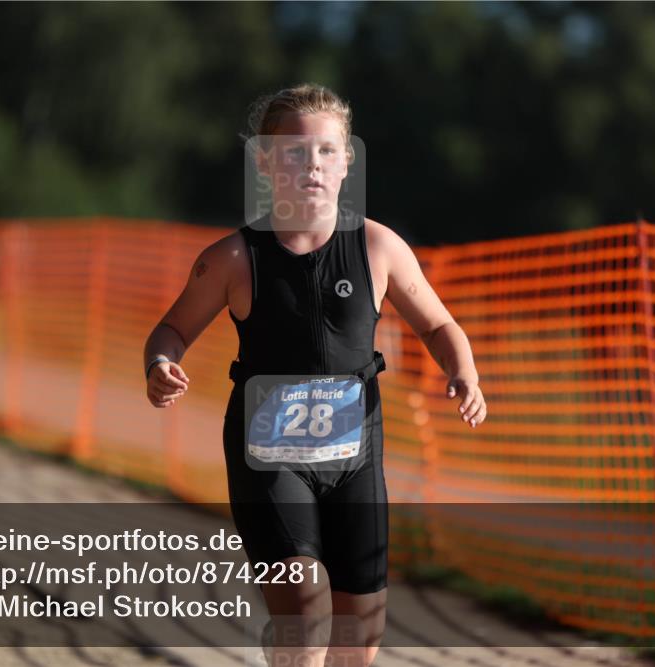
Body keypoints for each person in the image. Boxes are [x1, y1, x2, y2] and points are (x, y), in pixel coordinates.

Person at [143, 83, 486, 667]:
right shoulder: (232, 259)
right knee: (304, 610)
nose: (313, 165)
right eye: (295, 152)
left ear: (347, 160)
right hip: (268, 456)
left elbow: (437, 325)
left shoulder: (378, 247)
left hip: (356, 458)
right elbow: (171, 329)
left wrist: (464, 372)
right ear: (265, 162)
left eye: (327, 151)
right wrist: (160, 364)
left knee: (359, 638)